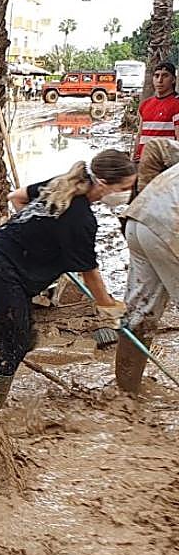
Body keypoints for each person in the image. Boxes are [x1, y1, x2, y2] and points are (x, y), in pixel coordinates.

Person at [0, 151, 135, 426]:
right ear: (104, 182)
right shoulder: (81, 219)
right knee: (16, 344)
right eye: (124, 188)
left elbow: (16, 198)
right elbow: (89, 272)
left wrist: (35, 234)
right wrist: (107, 308)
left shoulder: (61, 184)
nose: (126, 194)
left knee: (23, 336)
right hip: (0, 272)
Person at [117, 154, 179, 391]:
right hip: (170, 227)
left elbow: (156, 148)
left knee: (140, 311)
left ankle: (125, 394)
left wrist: (144, 187)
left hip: (140, 216)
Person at [133, 63, 179, 187]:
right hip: (143, 162)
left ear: (173, 79)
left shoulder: (176, 104)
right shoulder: (145, 104)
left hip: (164, 165)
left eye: (165, 76)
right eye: (156, 76)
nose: (160, 80)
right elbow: (140, 134)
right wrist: (134, 158)